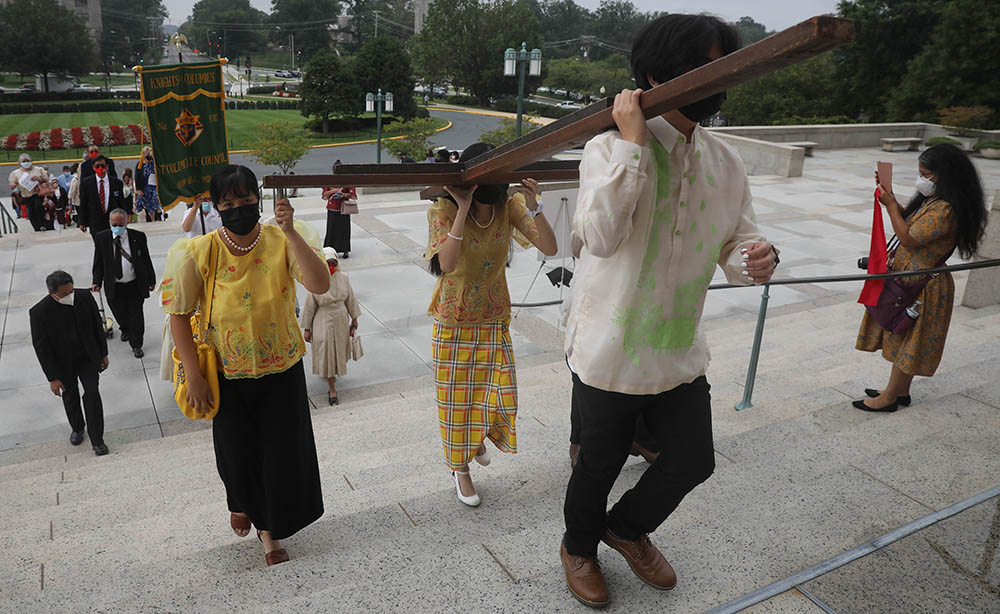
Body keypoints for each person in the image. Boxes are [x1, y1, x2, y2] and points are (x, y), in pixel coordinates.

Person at [559, 15, 779, 608]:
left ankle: (625, 529)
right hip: (609, 345)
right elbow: (599, 237)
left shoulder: (724, 161)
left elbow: (738, 239)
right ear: (656, 75)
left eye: (718, 67)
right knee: (597, 464)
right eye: (698, 67)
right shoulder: (606, 148)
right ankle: (578, 547)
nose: (712, 81)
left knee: (693, 459)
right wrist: (633, 146)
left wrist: (756, 256)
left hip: (677, 345)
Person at [161, 164, 330, 567]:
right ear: (217, 206)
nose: (239, 208)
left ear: (259, 197)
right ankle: (239, 500)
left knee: (280, 453)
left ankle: (268, 532)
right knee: (237, 453)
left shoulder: (283, 238)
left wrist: (289, 231)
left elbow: (320, 284)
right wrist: (196, 375)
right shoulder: (197, 251)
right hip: (226, 373)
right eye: (229, 202)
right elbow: (179, 315)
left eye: (246, 199)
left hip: (282, 367)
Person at [425, 142, 558, 508]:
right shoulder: (443, 210)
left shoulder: (508, 207)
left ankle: (476, 436)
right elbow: (447, 265)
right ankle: (461, 469)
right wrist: (463, 206)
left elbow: (549, 246)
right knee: (456, 403)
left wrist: (537, 207)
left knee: (500, 394)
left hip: (493, 319)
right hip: (453, 322)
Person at [854, 144, 987, 412]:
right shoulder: (935, 200)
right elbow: (913, 225)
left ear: (944, 175)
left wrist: (890, 205)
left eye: (925, 174)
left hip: (924, 286)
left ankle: (889, 398)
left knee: (908, 340)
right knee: (904, 337)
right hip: (911, 282)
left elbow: (909, 237)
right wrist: (890, 197)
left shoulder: (946, 210)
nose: (921, 179)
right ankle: (900, 391)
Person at [29, 270, 110, 456]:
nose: (70, 296)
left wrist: (103, 354)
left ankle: (97, 439)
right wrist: (52, 378)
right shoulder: (39, 312)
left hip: (87, 357)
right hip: (62, 363)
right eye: (65, 294)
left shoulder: (84, 296)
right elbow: (42, 348)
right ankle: (77, 427)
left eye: (71, 291)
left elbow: (97, 325)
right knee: (70, 394)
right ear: (52, 293)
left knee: (92, 392)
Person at [92, 208, 156, 358]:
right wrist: (96, 281)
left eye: (121, 224)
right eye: (114, 224)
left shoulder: (138, 237)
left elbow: (146, 259)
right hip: (114, 286)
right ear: (109, 223)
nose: (118, 227)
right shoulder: (102, 238)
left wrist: (151, 280)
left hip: (134, 284)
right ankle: (125, 329)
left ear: (127, 222)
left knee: (136, 316)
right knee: (120, 314)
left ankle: (136, 344)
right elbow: (98, 262)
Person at [302, 247, 360, 406]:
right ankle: (332, 388)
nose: (331, 266)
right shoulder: (316, 279)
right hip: (323, 319)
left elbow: (350, 298)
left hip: (340, 318)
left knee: (338, 350)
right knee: (326, 350)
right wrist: (307, 328)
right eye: (328, 263)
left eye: (334, 262)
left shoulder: (344, 278)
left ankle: (332, 372)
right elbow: (309, 305)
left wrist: (354, 318)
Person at [78, 155, 127, 236]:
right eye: (97, 166)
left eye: (103, 166)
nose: (100, 168)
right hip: (95, 221)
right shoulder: (86, 183)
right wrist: (82, 222)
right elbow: (83, 203)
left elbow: (121, 201)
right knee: (100, 245)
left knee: (113, 245)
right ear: (93, 167)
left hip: (113, 221)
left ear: (107, 167)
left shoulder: (116, 183)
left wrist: (125, 218)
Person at [8, 153, 51, 231]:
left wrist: (38, 179)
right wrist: (13, 185)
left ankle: (42, 224)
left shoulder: (39, 169)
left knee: (38, 207)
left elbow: (46, 179)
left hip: (37, 193)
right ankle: (36, 227)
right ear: (20, 163)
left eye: (27, 161)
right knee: (31, 212)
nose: (26, 163)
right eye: (23, 161)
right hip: (26, 195)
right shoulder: (16, 173)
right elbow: (12, 183)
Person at [322, 168, 356, 259]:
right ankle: (329, 250)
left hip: (343, 208)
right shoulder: (329, 181)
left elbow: (353, 195)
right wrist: (334, 191)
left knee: (344, 230)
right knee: (331, 229)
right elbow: (324, 195)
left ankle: (345, 250)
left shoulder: (347, 181)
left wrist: (344, 194)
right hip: (332, 208)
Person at [134, 146, 162, 222]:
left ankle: (159, 215)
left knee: (155, 200)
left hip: (153, 186)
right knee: (148, 204)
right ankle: (151, 219)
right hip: (145, 187)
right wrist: (138, 189)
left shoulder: (153, 163)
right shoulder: (140, 165)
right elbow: (137, 177)